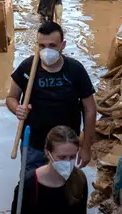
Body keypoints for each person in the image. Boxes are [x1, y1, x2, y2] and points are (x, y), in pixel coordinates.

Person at [7, 21, 98, 174]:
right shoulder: (27, 68)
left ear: (63, 45)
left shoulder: (75, 70)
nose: (46, 51)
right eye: (42, 46)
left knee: (62, 187)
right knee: (31, 186)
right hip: (33, 145)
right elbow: (11, 98)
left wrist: (86, 147)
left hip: (65, 148)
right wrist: (17, 109)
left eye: (52, 46)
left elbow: (90, 109)